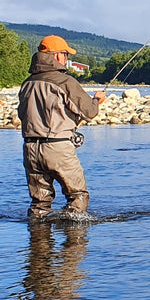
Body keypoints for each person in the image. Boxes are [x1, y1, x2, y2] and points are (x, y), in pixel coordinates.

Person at [18, 35, 106, 218]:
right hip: (57, 148)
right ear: (57, 56)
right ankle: (74, 243)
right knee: (77, 196)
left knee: (39, 204)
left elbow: (22, 115)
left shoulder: (27, 83)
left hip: (30, 149)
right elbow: (89, 112)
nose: (67, 59)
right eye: (66, 54)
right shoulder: (65, 82)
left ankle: (38, 243)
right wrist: (97, 100)